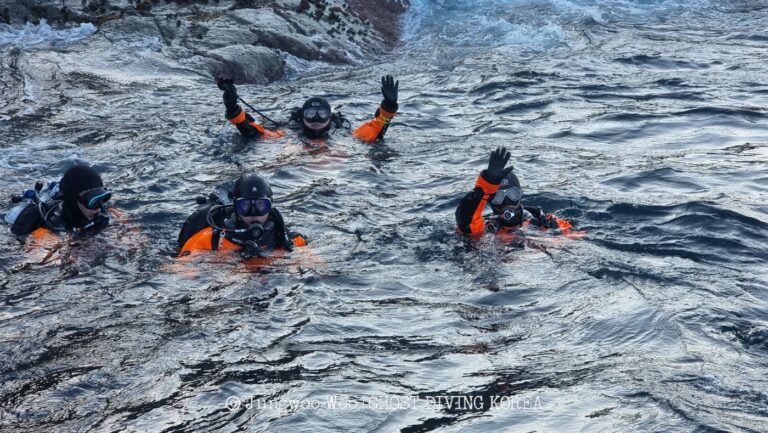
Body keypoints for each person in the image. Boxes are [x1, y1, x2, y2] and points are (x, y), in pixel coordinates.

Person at [215, 75, 400, 143]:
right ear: (301, 117)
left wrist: (388, 108)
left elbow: (375, 129)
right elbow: (253, 131)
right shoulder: (288, 134)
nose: (316, 119)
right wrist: (233, 108)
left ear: (331, 117)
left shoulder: (342, 134)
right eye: (311, 114)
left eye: (322, 114)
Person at [177, 173, 306, 256]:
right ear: (235, 207)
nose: (254, 214)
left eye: (261, 206)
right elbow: (178, 276)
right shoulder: (208, 241)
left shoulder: (291, 242)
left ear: (270, 206)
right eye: (245, 206)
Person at [455, 147, 572, 235]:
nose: (507, 201)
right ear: (490, 201)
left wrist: (556, 233)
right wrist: (486, 185)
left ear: (520, 195)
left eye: (512, 194)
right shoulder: (487, 228)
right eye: (498, 197)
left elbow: (577, 240)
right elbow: (466, 221)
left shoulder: (546, 222)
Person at [8, 164, 113, 236]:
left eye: (101, 197)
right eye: (92, 200)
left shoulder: (101, 211)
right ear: (74, 199)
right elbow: (37, 260)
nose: (99, 208)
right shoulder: (49, 228)